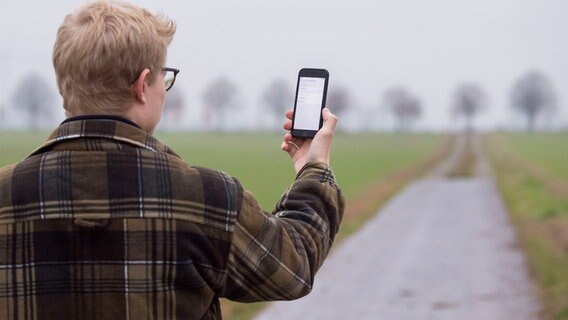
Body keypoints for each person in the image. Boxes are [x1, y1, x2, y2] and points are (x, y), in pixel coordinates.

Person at [0, 1, 344, 320]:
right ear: (142, 86)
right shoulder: (209, 197)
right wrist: (313, 169)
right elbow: (292, 267)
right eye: (164, 77)